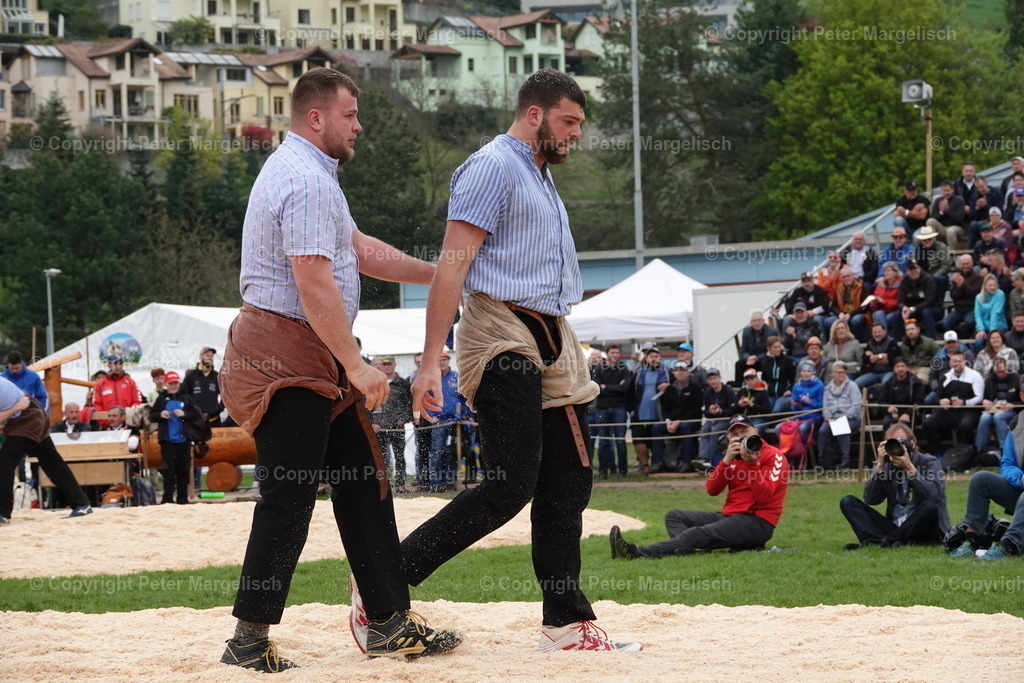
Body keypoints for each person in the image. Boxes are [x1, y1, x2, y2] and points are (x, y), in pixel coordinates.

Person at [217, 68, 458, 671]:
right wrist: (355, 362)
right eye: (350, 115)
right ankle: (248, 641)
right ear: (316, 117)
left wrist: (440, 272)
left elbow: (357, 251)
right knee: (287, 497)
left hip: (307, 352)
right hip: (288, 356)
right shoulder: (303, 178)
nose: (359, 125)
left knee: (364, 485)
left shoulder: (311, 175)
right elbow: (312, 278)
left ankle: (388, 622)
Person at [400, 69, 641, 653]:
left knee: (570, 480)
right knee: (511, 483)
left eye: (580, 123)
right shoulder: (493, 166)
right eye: (569, 121)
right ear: (535, 115)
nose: (577, 134)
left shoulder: (538, 173)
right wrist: (431, 361)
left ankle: (564, 623)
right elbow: (452, 265)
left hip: (553, 330)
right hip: (499, 329)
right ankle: (385, 579)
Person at [609, 414, 788, 559]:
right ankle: (687, 551)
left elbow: (764, 497)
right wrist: (725, 461)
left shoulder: (773, 456)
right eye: (735, 434)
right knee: (674, 516)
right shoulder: (731, 457)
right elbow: (712, 490)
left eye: (744, 431)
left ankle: (637, 552)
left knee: (697, 533)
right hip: (730, 515)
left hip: (758, 521)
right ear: (728, 438)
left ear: (755, 431)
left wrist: (752, 465)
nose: (740, 437)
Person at [839, 423, 949, 549]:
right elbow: (871, 499)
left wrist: (910, 468)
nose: (896, 447)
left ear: (912, 443)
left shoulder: (930, 462)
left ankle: (882, 542)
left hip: (923, 530)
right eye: (891, 443)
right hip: (895, 528)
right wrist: (879, 466)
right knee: (848, 501)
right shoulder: (888, 465)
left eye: (901, 442)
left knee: (930, 506)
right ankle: (885, 542)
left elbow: (934, 496)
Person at [0, 375, 92, 523]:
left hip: (28, 417)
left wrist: (16, 407)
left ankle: (2, 513)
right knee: (52, 462)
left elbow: (14, 408)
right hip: (29, 414)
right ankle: (81, 504)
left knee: (4, 462)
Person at [947, 400, 1024, 560]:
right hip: (1021, 490)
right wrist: (1020, 477)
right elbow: (1007, 464)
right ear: (1022, 396)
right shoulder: (1017, 424)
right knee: (981, 479)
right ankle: (971, 542)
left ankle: (1008, 546)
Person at [921, 350, 984, 455]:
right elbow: (938, 397)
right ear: (950, 363)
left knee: (966, 426)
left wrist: (964, 402)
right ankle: (939, 454)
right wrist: (941, 401)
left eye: (959, 361)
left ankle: (965, 455)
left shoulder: (974, 375)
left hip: (969, 410)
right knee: (927, 424)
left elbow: (980, 397)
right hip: (950, 411)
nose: (957, 364)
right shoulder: (946, 377)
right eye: (954, 361)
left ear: (965, 362)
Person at [149, 371, 197, 505]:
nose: (174, 386)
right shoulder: (161, 399)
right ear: (166, 384)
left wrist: (184, 413)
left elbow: (195, 415)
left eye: (176, 383)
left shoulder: (186, 398)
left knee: (183, 471)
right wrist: (160, 414)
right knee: (169, 471)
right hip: (168, 441)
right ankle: (167, 499)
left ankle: (182, 499)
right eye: (171, 383)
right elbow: (151, 416)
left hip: (184, 440)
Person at [370, 356, 413, 493]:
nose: (387, 366)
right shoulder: (375, 382)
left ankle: (400, 484)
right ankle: (383, 484)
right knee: (380, 457)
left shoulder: (403, 383)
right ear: (381, 366)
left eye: (390, 364)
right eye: (385, 364)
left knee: (399, 456)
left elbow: (409, 403)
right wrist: (373, 421)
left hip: (397, 426)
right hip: (380, 427)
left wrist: (404, 419)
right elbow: (369, 403)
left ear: (394, 365)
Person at [426, 352, 467, 492]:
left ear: (449, 361)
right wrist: (431, 416)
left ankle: (451, 481)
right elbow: (425, 397)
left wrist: (464, 415)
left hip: (455, 421)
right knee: (437, 451)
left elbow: (464, 398)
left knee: (453, 452)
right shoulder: (431, 377)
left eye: (444, 359)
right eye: (439, 359)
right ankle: (436, 483)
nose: (442, 362)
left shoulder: (457, 377)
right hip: (438, 421)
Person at [593, 344, 631, 479]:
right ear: (607, 354)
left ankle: (623, 470)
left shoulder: (624, 369)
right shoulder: (599, 369)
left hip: (619, 408)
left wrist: (606, 387)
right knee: (603, 441)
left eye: (617, 353)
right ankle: (603, 470)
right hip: (602, 409)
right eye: (612, 353)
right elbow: (597, 389)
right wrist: (616, 387)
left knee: (620, 441)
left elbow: (625, 388)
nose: (615, 355)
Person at [629, 347, 670, 474]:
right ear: (646, 359)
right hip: (639, 413)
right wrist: (631, 409)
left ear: (660, 358)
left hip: (658, 414)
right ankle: (645, 465)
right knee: (639, 440)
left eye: (656, 356)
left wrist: (669, 386)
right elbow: (630, 393)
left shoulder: (667, 373)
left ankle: (657, 464)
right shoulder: (639, 373)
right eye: (650, 356)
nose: (653, 359)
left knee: (656, 442)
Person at [816, 362, 862, 470]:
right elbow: (825, 406)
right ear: (833, 373)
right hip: (832, 417)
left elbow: (856, 406)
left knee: (841, 428)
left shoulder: (852, 386)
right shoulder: (828, 388)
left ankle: (845, 460)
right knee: (823, 431)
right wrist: (828, 418)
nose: (842, 375)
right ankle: (822, 459)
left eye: (843, 372)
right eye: (839, 372)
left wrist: (844, 417)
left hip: (851, 418)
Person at [661, 364, 703, 472]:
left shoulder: (695, 387)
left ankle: (686, 462)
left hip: (691, 420)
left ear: (688, 373)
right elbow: (665, 409)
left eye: (683, 370)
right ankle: (658, 462)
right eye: (677, 370)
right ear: (673, 373)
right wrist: (668, 421)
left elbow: (696, 410)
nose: (680, 372)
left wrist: (679, 421)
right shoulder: (669, 389)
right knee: (656, 428)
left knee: (685, 427)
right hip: (672, 421)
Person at [974, 357, 1021, 453]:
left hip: (1012, 410)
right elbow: (984, 398)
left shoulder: (1017, 379)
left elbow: (1022, 400)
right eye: (997, 371)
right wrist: (984, 402)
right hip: (993, 409)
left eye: (1002, 371)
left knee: (998, 416)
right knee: (984, 417)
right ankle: (979, 450)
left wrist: (1012, 405)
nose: (1000, 373)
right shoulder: (989, 380)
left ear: (1007, 367)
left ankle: (1004, 449)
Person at [697, 368, 738, 466]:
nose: (713, 381)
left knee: (714, 431)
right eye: (710, 379)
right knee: (703, 430)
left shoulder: (728, 391)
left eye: (715, 378)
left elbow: (733, 410)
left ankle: (709, 458)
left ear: (720, 378)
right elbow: (706, 412)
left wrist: (721, 411)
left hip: (726, 419)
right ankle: (702, 457)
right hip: (713, 419)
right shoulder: (708, 393)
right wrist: (710, 411)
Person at [877, 358, 925, 431]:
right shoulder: (889, 383)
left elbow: (919, 401)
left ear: (907, 368)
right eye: (898, 366)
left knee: (901, 425)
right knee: (887, 423)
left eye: (903, 366)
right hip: (894, 413)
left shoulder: (916, 382)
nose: (900, 369)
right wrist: (888, 407)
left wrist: (908, 413)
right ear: (894, 369)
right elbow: (881, 401)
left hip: (911, 413)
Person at [942, 254, 982, 338]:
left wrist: (963, 284)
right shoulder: (956, 277)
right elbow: (954, 296)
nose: (965, 266)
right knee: (945, 324)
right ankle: (959, 336)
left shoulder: (978, 277)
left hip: (972, 307)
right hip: (959, 308)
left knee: (969, 322)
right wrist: (959, 287)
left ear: (972, 264)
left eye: (967, 264)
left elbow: (975, 294)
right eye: (963, 264)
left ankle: (965, 339)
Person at [182, 347, 224, 427]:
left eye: (212, 356)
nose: (210, 357)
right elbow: (183, 395)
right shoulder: (191, 375)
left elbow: (225, 395)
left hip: (214, 420)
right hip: (195, 420)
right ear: (200, 357)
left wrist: (218, 409)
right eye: (207, 355)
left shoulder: (217, 376)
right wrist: (192, 411)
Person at [734, 310, 778, 383]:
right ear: (751, 322)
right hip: (751, 359)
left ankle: (767, 386)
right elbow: (743, 350)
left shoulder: (771, 331)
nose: (757, 323)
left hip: (765, 358)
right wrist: (748, 357)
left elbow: (772, 351)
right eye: (754, 321)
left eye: (759, 320)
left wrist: (757, 358)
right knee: (739, 364)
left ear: (763, 321)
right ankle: (738, 387)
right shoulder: (746, 332)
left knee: (765, 363)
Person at [856, 322, 899, 389]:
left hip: (888, 371)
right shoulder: (870, 343)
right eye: (875, 332)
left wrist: (873, 357)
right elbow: (865, 359)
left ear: (885, 331)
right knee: (857, 383)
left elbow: (889, 359)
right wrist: (881, 356)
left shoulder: (892, 342)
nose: (877, 334)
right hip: (873, 372)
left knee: (886, 384)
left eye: (879, 332)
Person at [759, 335, 795, 413]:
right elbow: (764, 377)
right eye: (775, 347)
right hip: (771, 394)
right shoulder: (764, 361)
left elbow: (793, 377)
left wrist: (790, 389)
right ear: (768, 348)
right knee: (765, 409)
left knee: (776, 410)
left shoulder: (787, 360)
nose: (778, 349)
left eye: (779, 347)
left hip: (784, 393)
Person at [898, 319, 940, 385]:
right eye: (908, 330)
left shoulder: (929, 342)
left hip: (924, 368)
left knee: (918, 381)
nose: (910, 331)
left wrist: (933, 367)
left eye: (912, 329)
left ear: (918, 329)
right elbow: (900, 358)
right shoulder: (904, 344)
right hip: (909, 368)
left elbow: (939, 354)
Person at [973, 273, 1008, 350]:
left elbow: (995, 313)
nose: (992, 287)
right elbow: (978, 314)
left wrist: (992, 332)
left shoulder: (1000, 294)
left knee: (995, 339)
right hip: (984, 327)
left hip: (998, 325)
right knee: (979, 341)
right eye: (990, 285)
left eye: (994, 285)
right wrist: (981, 329)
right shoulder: (978, 297)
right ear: (985, 286)